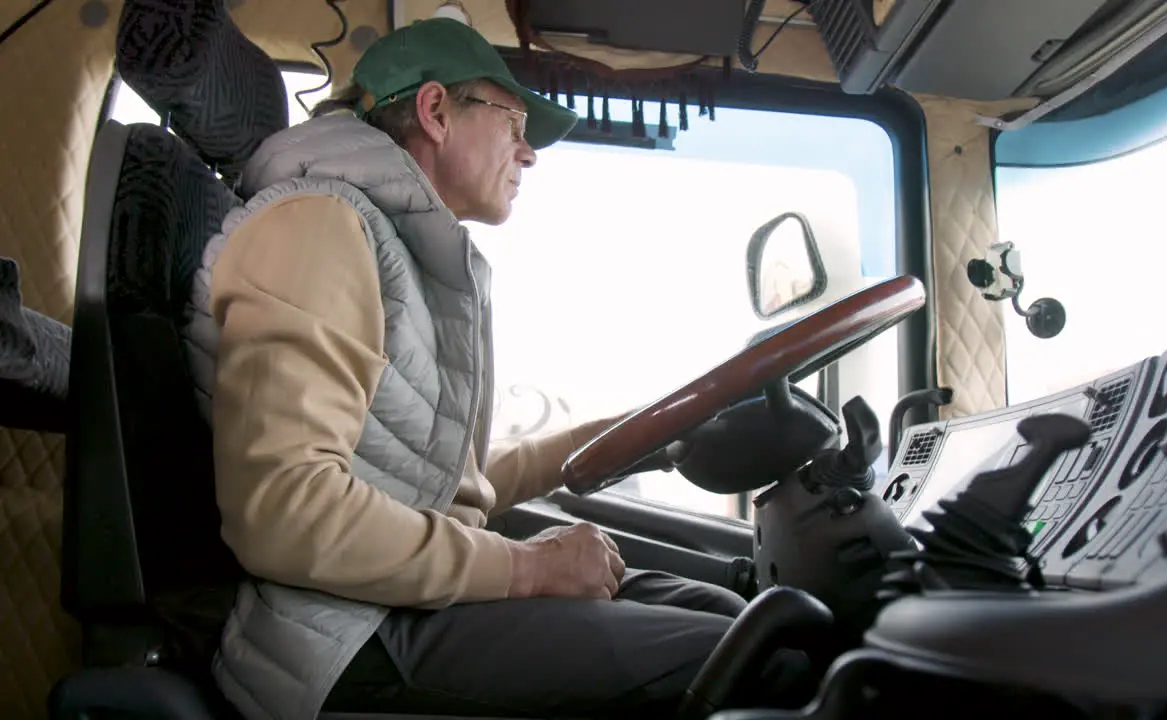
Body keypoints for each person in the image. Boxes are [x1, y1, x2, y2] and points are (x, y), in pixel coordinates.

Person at [182, 16, 814, 720]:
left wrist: (648, 430)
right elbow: (285, 514)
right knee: (765, 661)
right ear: (434, 112)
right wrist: (527, 568)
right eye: (514, 121)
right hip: (341, 637)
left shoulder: (393, 247)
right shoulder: (316, 228)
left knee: (735, 616)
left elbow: (448, 482)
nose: (530, 152)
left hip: (390, 603)